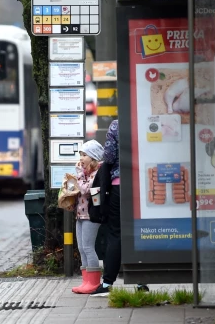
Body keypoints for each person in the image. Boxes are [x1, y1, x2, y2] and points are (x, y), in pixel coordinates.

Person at [91, 120, 121, 297]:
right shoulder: (145, 121)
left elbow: (108, 157)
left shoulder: (116, 125)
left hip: (118, 187)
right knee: (138, 232)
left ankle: (108, 282)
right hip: (143, 185)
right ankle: (142, 281)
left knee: (115, 233)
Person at [72, 139, 104, 294]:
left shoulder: (97, 173)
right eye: (80, 155)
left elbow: (86, 190)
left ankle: (94, 282)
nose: (81, 159)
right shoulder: (85, 174)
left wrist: (79, 176)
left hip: (91, 215)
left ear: (93, 157)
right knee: (81, 248)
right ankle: (86, 281)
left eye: (84, 155)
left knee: (88, 247)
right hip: (80, 215)